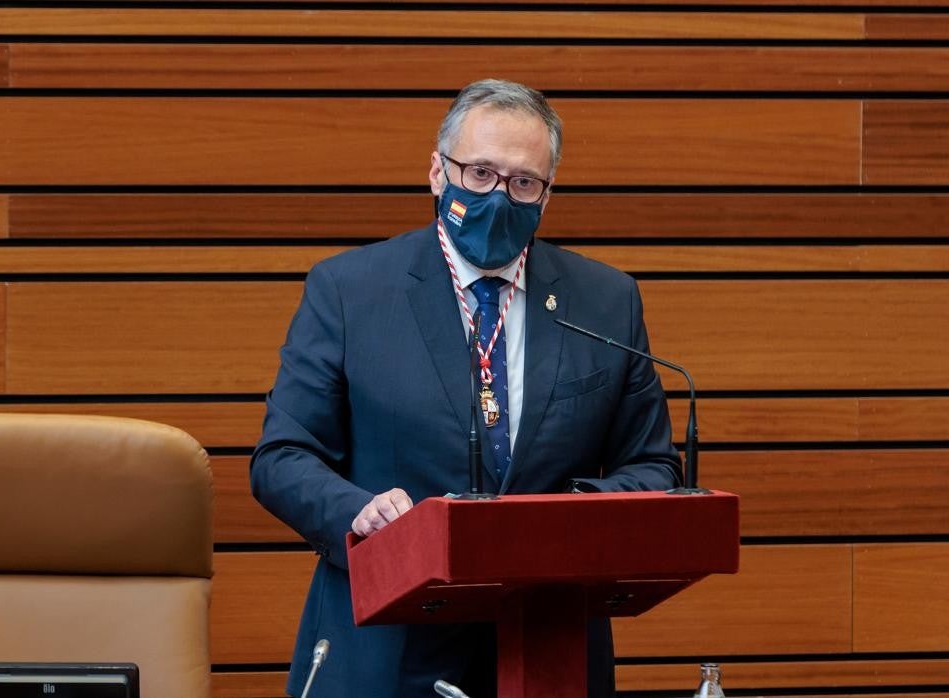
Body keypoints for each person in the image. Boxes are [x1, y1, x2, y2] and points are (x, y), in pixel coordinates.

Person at [250, 78, 682, 698]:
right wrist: (359, 513)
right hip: (387, 645)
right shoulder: (349, 291)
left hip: (549, 650)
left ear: (547, 193)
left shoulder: (606, 301)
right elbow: (282, 458)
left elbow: (653, 466)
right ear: (437, 172)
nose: (499, 197)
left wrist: (569, 513)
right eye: (479, 173)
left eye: (523, 182)